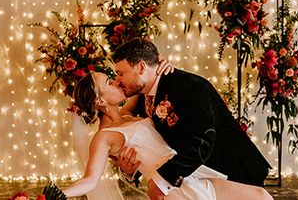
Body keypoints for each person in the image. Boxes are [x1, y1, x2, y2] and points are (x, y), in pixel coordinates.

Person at [42, 71, 271, 200]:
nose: (117, 81)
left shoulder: (126, 114)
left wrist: (161, 67)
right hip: (174, 189)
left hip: (188, 173)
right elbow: (90, 180)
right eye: (109, 82)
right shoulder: (104, 137)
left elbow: (145, 82)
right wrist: (57, 194)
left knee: (261, 196)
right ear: (100, 101)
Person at [112, 39, 271, 200]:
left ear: (141, 67)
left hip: (232, 172)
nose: (118, 80)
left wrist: (162, 180)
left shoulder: (190, 87)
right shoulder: (143, 97)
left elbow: (203, 142)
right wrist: (129, 170)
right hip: (194, 181)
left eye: (121, 73)